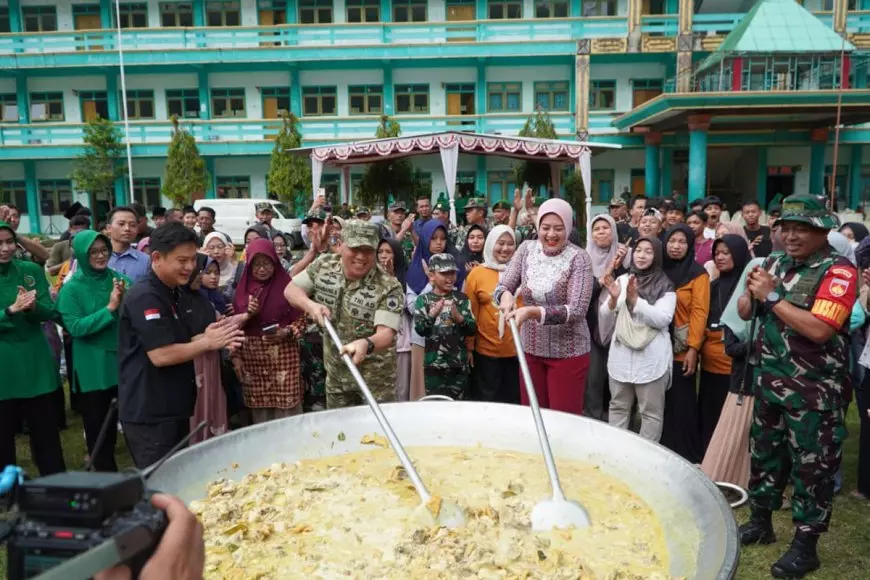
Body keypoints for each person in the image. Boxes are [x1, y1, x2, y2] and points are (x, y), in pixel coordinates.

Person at [737, 194, 856, 578]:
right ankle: (761, 522)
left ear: (822, 231)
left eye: (800, 228)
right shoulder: (775, 262)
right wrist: (750, 294)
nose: (790, 236)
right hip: (771, 382)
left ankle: (806, 545)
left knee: (812, 469)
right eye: (786, 227)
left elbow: (821, 330)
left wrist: (771, 296)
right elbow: (746, 309)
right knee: (766, 457)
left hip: (813, 392)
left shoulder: (838, 272)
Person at [118, 222, 244, 468]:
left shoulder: (174, 291)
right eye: (181, 260)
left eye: (193, 260)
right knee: (160, 487)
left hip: (174, 405)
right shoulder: (146, 296)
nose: (190, 267)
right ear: (157, 257)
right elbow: (161, 355)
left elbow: (177, 341)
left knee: (178, 477)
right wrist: (207, 343)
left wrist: (206, 336)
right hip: (151, 411)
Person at [284, 220, 404, 409]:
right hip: (337, 378)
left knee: (375, 435)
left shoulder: (389, 286)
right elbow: (290, 290)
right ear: (341, 245)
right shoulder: (324, 266)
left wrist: (366, 344)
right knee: (340, 433)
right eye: (355, 248)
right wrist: (311, 306)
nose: (360, 256)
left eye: (368, 250)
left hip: (375, 383)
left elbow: (386, 334)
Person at [496, 198, 594, 415]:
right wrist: (505, 297)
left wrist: (531, 311)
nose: (551, 235)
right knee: (533, 415)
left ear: (568, 228)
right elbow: (503, 286)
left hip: (568, 353)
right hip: (530, 350)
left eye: (558, 229)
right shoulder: (526, 250)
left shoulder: (579, 258)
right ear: (537, 226)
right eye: (545, 228)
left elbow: (577, 309)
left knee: (563, 419)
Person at [55, 230, 131, 472]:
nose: (101, 256)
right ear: (80, 254)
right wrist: (109, 309)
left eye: (104, 250)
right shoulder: (72, 288)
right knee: (100, 427)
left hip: (123, 359)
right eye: (94, 252)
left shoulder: (118, 278)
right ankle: (106, 478)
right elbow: (75, 327)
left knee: (132, 419)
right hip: (93, 366)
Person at [0, 220, 66, 476]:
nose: (6, 249)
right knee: (3, 431)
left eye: (9, 242)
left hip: (34, 358)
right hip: (4, 361)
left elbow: (50, 312)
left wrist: (33, 308)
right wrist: (9, 311)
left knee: (45, 428)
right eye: (0, 243)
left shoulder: (30, 270)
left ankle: (54, 480)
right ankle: (7, 487)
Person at [599, 237, 676, 441]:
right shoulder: (623, 280)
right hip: (621, 356)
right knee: (618, 406)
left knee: (650, 413)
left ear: (657, 256)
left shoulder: (665, 285)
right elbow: (604, 314)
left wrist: (635, 301)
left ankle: (645, 463)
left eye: (648, 251)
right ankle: (617, 454)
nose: (641, 255)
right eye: (638, 250)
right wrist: (614, 298)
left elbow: (663, 319)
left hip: (651, 358)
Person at [701, 252, 765, 490]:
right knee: (736, 433)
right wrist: (758, 347)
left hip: (771, 383)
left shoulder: (775, 309)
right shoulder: (735, 312)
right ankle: (728, 477)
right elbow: (731, 348)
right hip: (744, 384)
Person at [232, 239, 305, 423]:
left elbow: (303, 319)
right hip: (252, 361)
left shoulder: (288, 288)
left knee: (287, 411)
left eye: (266, 263)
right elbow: (232, 329)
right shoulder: (242, 292)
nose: (262, 269)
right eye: (257, 265)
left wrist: (286, 332)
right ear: (249, 266)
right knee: (260, 414)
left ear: (275, 263)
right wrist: (235, 357)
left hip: (283, 358)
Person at [659, 224, 709, 462]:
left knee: (682, 400)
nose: (676, 246)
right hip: (655, 345)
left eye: (682, 242)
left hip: (681, 348)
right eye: (672, 241)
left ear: (689, 245)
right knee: (660, 401)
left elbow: (700, 312)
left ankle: (686, 454)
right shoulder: (657, 268)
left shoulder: (698, 274)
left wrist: (693, 349)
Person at [700, 234, 750, 453]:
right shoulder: (714, 286)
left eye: (726, 253)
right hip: (711, 364)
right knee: (710, 414)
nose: (720, 258)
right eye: (716, 253)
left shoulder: (748, 286)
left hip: (738, 363)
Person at [465, 225, 521, 403]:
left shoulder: (523, 272)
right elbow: (471, 313)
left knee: (514, 402)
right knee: (488, 402)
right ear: (490, 245)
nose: (505, 249)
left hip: (518, 351)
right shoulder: (477, 274)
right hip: (486, 352)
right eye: (500, 243)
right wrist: (469, 347)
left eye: (510, 244)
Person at [585, 214, 630, 420]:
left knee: (617, 376)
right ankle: (594, 419)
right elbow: (583, 295)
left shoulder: (626, 257)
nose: (601, 232)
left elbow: (629, 284)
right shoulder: (583, 258)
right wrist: (603, 278)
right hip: (590, 324)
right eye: (597, 229)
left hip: (619, 324)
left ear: (614, 231)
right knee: (593, 377)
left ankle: (616, 421)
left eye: (606, 228)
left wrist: (620, 264)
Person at [413, 253, 477, 399]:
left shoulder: (461, 299)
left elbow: (472, 329)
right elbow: (420, 330)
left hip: (458, 366)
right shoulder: (424, 300)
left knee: (458, 410)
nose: (450, 277)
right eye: (444, 273)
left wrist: (458, 317)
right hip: (433, 365)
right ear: (432, 275)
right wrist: (432, 315)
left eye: (452, 272)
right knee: (435, 408)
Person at [406, 219, 450, 400]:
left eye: (442, 238)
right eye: (433, 239)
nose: (439, 243)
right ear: (424, 240)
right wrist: (431, 284)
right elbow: (411, 307)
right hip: (422, 341)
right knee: (422, 390)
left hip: (449, 341)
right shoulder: (415, 271)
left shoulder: (453, 267)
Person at [377, 238, 411, 401]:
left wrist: (391, 278)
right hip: (376, 343)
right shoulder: (369, 278)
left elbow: (403, 305)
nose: (384, 256)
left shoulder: (405, 277)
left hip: (401, 343)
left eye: (388, 252)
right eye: (380, 252)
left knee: (401, 390)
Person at [107, 206, 151, 284]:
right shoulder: (97, 258)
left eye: (132, 225)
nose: (127, 228)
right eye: (121, 224)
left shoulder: (146, 261)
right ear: (109, 228)